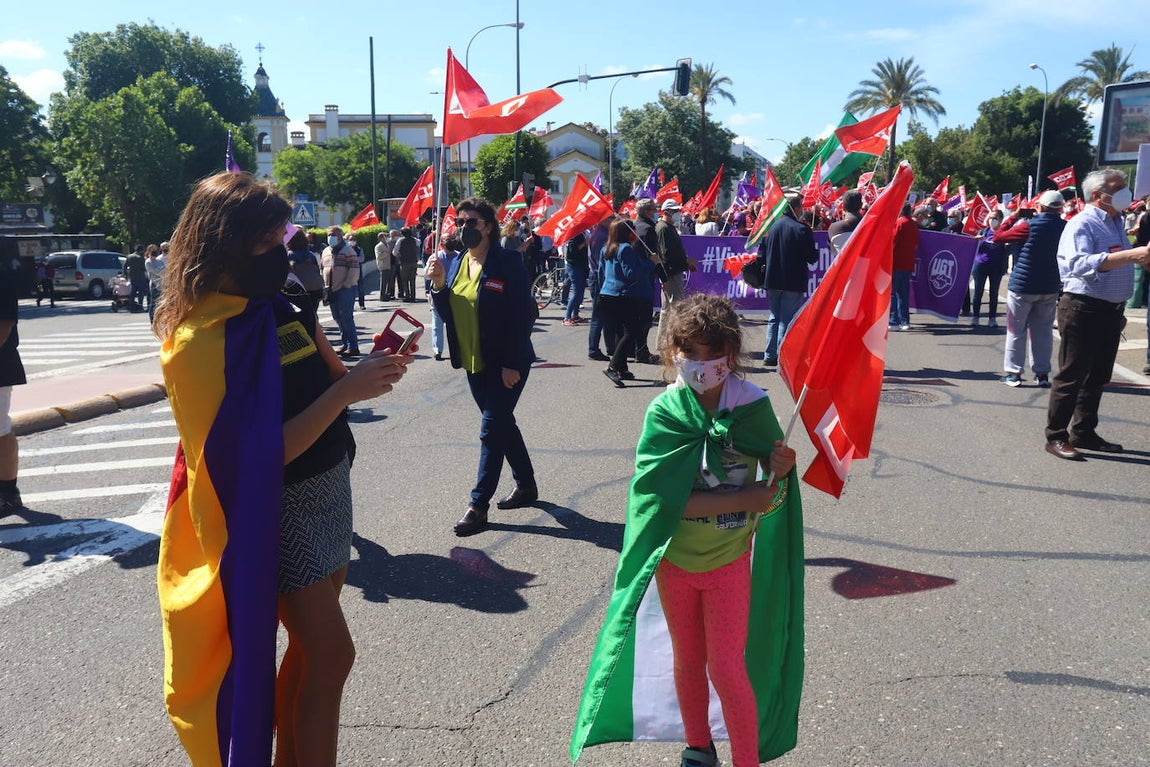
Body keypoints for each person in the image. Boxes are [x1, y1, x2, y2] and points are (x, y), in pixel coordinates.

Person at [153, 172, 412, 767]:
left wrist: (366, 370)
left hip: (327, 489)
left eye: (282, 237)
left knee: (308, 657)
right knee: (330, 655)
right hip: (273, 511)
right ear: (224, 245)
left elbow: (330, 377)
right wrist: (345, 393)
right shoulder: (199, 338)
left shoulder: (284, 302)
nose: (285, 253)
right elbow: (248, 462)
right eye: (268, 243)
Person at [571, 294, 803, 767]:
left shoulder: (751, 407)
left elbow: (774, 489)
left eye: (711, 352)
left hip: (729, 562)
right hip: (676, 563)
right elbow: (661, 505)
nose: (701, 364)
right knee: (687, 662)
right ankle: (699, 748)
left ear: (730, 355)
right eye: (689, 352)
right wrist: (745, 498)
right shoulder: (665, 413)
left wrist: (780, 467)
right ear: (671, 351)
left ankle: (745, 760)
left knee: (726, 667)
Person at [426, 197, 538, 537]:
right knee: (503, 425)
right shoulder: (460, 261)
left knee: (491, 430)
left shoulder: (508, 262)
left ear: (488, 226)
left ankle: (478, 506)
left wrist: (510, 363)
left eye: (471, 222)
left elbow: (524, 315)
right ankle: (527, 486)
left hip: (506, 363)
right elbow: (450, 315)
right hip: (474, 362)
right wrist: (439, 286)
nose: (464, 228)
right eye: (460, 222)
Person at [1044, 169, 1150, 460]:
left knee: (1097, 376)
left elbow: (1117, 261)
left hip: (1110, 310)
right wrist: (1131, 255)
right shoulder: (1082, 223)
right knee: (1072, 375)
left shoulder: (1116, 222)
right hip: (1083, 307)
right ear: (1097, 195)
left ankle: (1084, 432)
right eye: (1119, 188)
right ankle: (1055, 436)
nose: (1126, 193)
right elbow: (1077, 264)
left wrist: (1139, 259)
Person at [1001, 191, 1066, 388]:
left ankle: (1014, 373)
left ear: (1040, 207)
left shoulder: (1028, 226)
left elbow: (998, 236)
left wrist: (1013, 216)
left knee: (1016, 331)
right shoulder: (1067, 227)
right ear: (1061, 208)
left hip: (1023, 285)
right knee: (1043, 331)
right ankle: (1042, 373)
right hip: (1050, 285)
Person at [598, 218, 659, 388]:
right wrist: (651, 263)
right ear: (627, 232)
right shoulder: (625, 249)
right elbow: (632, 274)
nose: (635, 234)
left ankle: (622, 368)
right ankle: (612, 366)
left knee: (621, 332)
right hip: (622, 296)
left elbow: (601, 273)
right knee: (632, 331)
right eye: (633, 230)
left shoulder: (606, 248)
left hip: (607, 294)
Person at [761, 191, 818, 363]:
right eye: (801, 208)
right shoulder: (802, 229)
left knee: (774, 318)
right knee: (787, 319)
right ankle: (781, 356)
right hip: (793, 281)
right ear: (796, 208)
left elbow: (761, 254)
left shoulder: (771, 228)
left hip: (772, 279)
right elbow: (812, 257)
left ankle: (769, 355)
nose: (802, 211)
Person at [0, 261, 26, 518]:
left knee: (0, 429)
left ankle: (9, 493)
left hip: (0, 364)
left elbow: (3, 327)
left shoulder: (2, 277)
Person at [654, 199, 696, 353]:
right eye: (674, 211)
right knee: (674, 309)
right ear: (665, 212)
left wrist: (686, 263)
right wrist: (684, 263)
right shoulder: (663, 228)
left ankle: (666, 342)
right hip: (671, 273)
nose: (677, 213)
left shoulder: (668, 227)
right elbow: (666, 255)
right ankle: (669, 343)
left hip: (674, 271)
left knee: (671, 309)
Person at [322, 226, 362, 358]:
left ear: (340, 236)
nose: (330, 237)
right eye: (329, 234)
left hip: (345, 289)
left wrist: (346, 284)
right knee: (337, 317)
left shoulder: (348, 250)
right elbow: (323, 268)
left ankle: (353, 346)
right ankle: (345, 343)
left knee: (346, 318)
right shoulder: (326, 251)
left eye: (333, 235)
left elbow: (354, 269)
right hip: (331, 289)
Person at [970, 209, 1007, 328]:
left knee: (993, 293)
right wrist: (976, 241)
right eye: (990, 218)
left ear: (1001, 220)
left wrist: (1007, 244)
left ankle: (992, 318)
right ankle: (975, 317)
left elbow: (1009, 249)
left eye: (995, 218)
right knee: (978, 293)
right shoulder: (983, 232)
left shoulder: (1004, 233)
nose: (992, 221)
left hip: (996, 267)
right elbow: (972, 247)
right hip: (980, 266)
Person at [890, 203, 920, 332]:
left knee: (892, 294)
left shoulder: (899, 223)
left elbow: (893, 242)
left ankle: (894, 321)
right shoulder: (914, 225)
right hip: (908, 264)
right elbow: (915, 245)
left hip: (896, 263)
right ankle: (905, 321)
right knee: (903, 294)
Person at [587, 216, 612, 361]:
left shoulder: (601, 233)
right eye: (609, 219)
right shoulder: (600, 235)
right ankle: (593, 349)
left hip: (598, 276)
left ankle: (610, 346)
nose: (612, 222)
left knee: (605, 314)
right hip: (598, 278)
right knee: (598, 316)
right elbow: (600, 261)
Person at [287, 227, 325, 314]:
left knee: (302, 315)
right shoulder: (311, 255)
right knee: (313, 313)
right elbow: (316, 270)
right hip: (315, 288)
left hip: (300, 289)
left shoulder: (289, 255)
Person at [563, 230, 590, 325]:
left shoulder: (581, 233)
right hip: (574, 266)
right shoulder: (573, 235)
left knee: (580, 292)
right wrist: (584, 243)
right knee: (576, 292)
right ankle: (567, 317)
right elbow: (572, 250)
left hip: (581, 265)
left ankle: (576, 315)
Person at [826, 190, 863, 256]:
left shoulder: (834, 228)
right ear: (861, 205)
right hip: (868, 265)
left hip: (844, 265)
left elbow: (832, 251)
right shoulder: (873, 224)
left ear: (843, 206)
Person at [393, 227, 420, 302]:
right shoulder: (414, 240)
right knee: (412, 280)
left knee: (405, 280)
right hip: (414, 262)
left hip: (404, 262)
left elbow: (394, 252)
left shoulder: (400, 240)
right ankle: (413, 296)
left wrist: (399, 254)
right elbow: (419, 243)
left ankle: (407, 296)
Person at [145, 243, 166, 322]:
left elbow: (166, 270)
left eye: (155, 250)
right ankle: (152, 321)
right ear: (149, 251)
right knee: (153, 303)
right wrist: (163, 271)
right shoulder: (148, 262)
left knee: (161, 304)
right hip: (154, 285)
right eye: (152, 250)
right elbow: (157, 272)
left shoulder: (159, 261)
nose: (154, 251)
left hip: (162, 284)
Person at [125, 245, 149, 309]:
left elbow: (125, 266)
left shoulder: (129, 256)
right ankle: (140, 305)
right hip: (140, 277)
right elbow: (144, 268)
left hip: (132, 277)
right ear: (141, 250)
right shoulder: (140, 258)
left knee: (133, 292)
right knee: (141, 292)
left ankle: (131, 305)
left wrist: (126, 275)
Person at [347, 235, 366, 310]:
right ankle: (350, 305)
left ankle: (362, 304)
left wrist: (353, 259)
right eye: (351, 240)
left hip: (358, 271)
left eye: (354, 240)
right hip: (348, 272)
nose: (352, 241)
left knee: (360, 288)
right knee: (349, 289)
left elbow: (362, 258)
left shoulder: (359, 249)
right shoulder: (346, 249)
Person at [375, 231, 394, 301]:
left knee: (388, 282)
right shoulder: (378, 246)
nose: (387, 238)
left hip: (388, 265)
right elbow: (379, 256)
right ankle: (382, 296)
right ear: (381, 238)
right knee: (383, 282)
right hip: (383, 266)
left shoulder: (387, 245)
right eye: (385, 237)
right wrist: (387, 253)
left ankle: (387, 295)